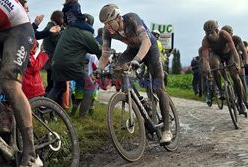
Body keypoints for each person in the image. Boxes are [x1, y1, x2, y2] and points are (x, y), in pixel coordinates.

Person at [98, 4, 172, 143]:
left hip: (150, 48)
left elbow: (146, 41)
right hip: (132, 49)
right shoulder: (107, 31)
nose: (108, 26)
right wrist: (99, 70)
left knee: (158, 88)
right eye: (105, 24)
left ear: (119, 18)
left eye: (109, 22)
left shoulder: (132, 19)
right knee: (117, 69)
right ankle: (143, 103)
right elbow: (105, 55)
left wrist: (137, 60)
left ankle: (167, 130)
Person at [0, 0, 42, 166]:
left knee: (9, 83)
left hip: (18, 30)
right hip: (0, 32)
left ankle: (31, 153)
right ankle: (4, 114)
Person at [48, 12, 101, 112]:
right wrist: (109, 51)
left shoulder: (69, 30)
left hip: (56, 63)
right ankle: (82, 116)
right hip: (71, 65)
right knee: (90, 86)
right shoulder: (85, 33)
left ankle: (42, 108)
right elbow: (97, 49)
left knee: (57, 87)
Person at [201, 20, 246, 115]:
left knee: (235, 77)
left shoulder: (224, 34)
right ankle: (221, 91)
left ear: (217, 30)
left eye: (211, 33)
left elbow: (234, 50)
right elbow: (205, 57)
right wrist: (207, 68)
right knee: (214, 65)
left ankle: (241, 102)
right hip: (216, 55)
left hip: (229, 54)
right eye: (207, 33)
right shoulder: (205, 40)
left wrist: (237, 64)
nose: (209, 35)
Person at [221, 25, 248, 106]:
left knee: (242, 80)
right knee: (234, 79)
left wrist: (245, 62)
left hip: (238, 60)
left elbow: (244, 51)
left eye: (230, 34)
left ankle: (245, 100)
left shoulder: (236, 39)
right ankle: (233, 96)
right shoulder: (221, 41)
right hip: (228, 61)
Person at [42, 10, 64, 94]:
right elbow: (59, 41)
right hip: (53, 62)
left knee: (52, 86)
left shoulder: (50, 26)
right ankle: (48, 105)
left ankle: (47, 104)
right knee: (54, 87)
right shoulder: (52, 28)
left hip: (50, 61)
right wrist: (64, 31)